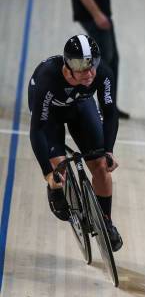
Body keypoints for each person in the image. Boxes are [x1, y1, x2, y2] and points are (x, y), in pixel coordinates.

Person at [28, 35, 123, 252]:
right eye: (81, 68)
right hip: (49, 115)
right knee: (59, 170)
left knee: (101, 166)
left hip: (79, 106)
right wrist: (48, 173)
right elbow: (37, 130)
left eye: (93, 66)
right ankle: (55, 187)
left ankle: (106, 220)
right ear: (67, 67)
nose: (89, 73)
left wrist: (108, 150)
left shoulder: (102, 73)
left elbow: (110, 114)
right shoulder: (47, 80)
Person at [69, 0, 130, 119]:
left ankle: (108, 106)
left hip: (101, 14)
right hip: (93, 16)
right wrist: (96, 14)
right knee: (103, 63)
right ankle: (78, 104)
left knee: (112, 60)